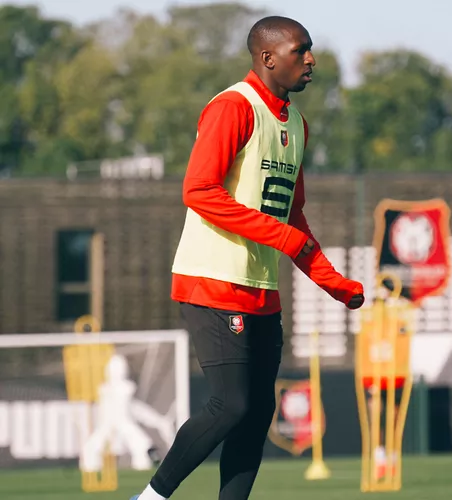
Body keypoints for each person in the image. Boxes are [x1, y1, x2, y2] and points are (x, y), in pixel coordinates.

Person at [130, 15, 365, 500]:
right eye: (300, 50)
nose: (311, 59)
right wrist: (280, 237)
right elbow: (199, 191)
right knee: (230, 405)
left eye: (310, 49)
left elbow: (293, 219)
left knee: (257, 413)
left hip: (262, 290)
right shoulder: (234, 106)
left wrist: (335, 283)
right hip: (212, 280)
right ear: (267, 58)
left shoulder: (297, 124)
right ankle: (149, 498)